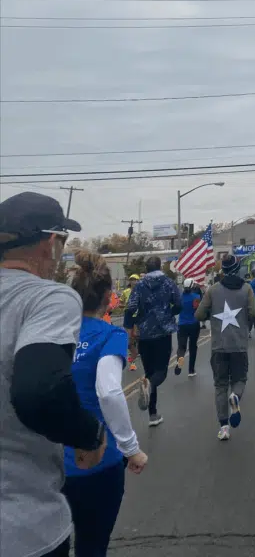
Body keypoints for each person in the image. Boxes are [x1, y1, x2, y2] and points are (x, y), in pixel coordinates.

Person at [0, 192, 106, 557]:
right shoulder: (48, 298)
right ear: (50, 242)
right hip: (22, 526)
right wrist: (89, 435)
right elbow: (40, 391)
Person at [64, 251, 149, 556]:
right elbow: (109, 391)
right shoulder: (110, 334)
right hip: (96, 462)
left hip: (45, 463)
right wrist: (132, 449)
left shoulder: (51, 330)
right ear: (109, 297)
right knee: (91, 546)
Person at [195, 254, 255, 441]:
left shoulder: (213, 290)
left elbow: (199, 315)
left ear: (222, 269)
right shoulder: (247, 288)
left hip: (218, 346)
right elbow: (254, 312)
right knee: (240, 379)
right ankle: (236, 396)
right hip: (239, 345)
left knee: (220, 385)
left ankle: (223, 427)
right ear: (237, 269)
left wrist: (211, 316)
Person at [123, 255, 180, 427]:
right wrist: (169, 314)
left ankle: (153, 414)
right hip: (163, 332)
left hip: (145, 334)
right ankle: (149, 387)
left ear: (146, 269)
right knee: (160, 372)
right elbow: (178, 304)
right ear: (160, 267)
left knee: (149, 372)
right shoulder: (169, 283)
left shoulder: (139, 286)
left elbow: (130, 308)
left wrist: (130, 328)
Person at [175, 279, 202, 376]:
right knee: (193, 346)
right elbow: (198, 309)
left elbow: (176, 309)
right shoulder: (196, 297)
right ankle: (191, 370)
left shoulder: (180, 297)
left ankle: (180, 358)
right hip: (194, 324)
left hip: (182, 324)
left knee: (181, 347)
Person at [121, 275, 141, 371]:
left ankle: (134, 357)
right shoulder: (126, 291)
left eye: (136, 280)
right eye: (132, 280)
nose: (134, 282)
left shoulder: (141, 291)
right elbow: (120, 303)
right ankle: (132, 358)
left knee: (136, 335)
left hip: (137, 315)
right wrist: (123, 305)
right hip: (128, 314)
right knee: (128, 340)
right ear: (130, 281)